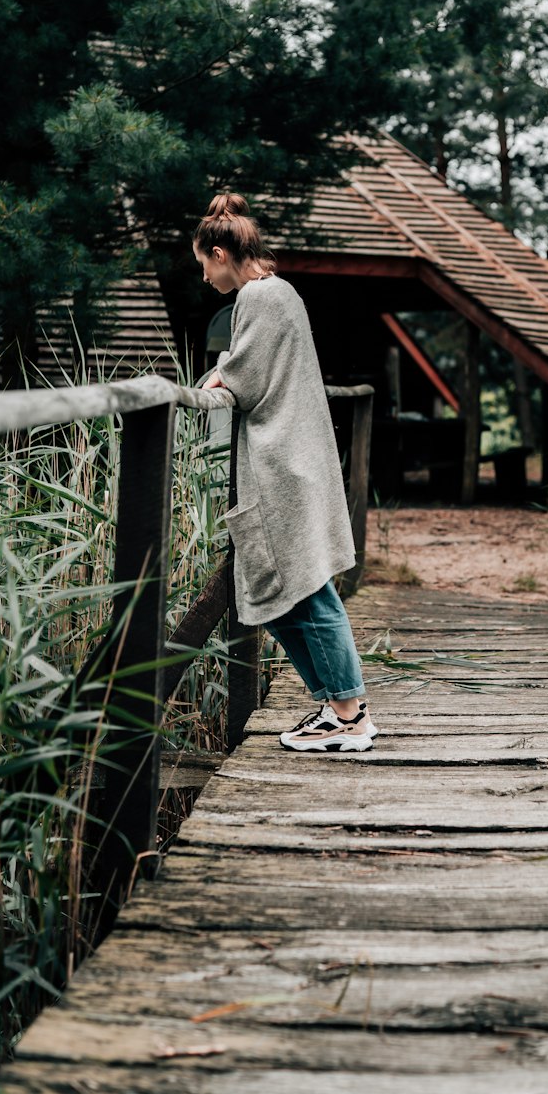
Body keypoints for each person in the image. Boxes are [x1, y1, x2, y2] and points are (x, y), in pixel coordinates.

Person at [193, 192, 376, 753]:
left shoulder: (262, 297)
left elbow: (245, 375)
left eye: (203, 264)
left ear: (221, 253)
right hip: (288, 462)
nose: (203, 278)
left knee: (308, 591)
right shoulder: (277, 293)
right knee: (275, 593)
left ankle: (350, 716)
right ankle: (334, 705)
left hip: (285, 468)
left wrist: (218, 376)